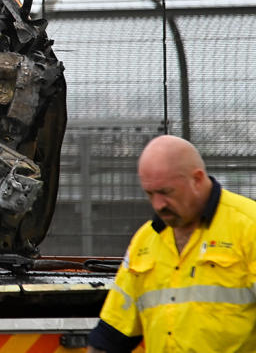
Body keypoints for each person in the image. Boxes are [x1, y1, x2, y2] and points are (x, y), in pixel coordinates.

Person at [87, 135, 256, 352]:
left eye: (166, 192)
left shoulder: (248, 227)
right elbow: (111, 335)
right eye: (150, 193)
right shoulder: (145, 241)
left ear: (196, 179)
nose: (158, 204)